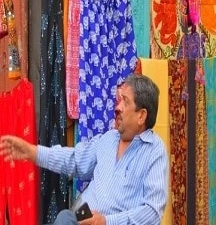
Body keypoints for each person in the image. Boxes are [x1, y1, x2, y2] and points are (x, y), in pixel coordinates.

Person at [0, 73, 168, 225]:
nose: (118, 107)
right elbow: (73, 160)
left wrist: (108, 222)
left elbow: (152, 212)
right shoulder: (108, 139)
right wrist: (33, 152)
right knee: (65, 217)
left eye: (125, 101)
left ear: (141, 116)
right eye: (119, 100)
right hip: (79, 220)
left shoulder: (154, 151)